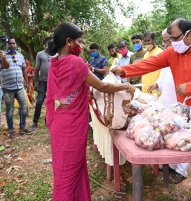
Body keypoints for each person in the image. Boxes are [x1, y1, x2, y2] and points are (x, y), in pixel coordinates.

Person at [111, 18, 191, 201]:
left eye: (175, 38)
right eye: (170, 40)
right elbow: (149, 64)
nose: (172, 43)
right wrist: (125, 70)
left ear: (188, 34)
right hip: (189, 118)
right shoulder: (174, 52)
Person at [46, 21, 135, 201]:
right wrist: (125, 85)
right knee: (70, 173)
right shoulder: (75, 62)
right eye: (79, 42)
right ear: (69, 42)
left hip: (59, 121)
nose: (81, 46)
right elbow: (101, 86)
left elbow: (64, 93)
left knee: (64, 171)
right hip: (72, 125)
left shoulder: (54, 63)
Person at [147, 28, 189, 184]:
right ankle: (172, 165)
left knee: (182, 136)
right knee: (170, 135)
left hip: (180, 105)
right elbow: (162, 75)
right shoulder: (168, 57)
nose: (166, 44)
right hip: (167, 103)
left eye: (168, 40)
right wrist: (156, 83)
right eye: (164, 41)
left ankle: (181, 170)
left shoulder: (184, 57)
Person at [1, 37, 32, 137]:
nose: (12, 45)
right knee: (9, 109)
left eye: (13, 43)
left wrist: (27, 83)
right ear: (7, 45)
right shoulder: (2, 55)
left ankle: (22, 127)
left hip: (19, 86)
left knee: (24, 106)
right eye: (10, 44)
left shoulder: (20, 55)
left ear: (16, 44)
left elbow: (24, 70)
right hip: (7, 88)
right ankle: (11, 130)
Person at [30, 37, 56, 131]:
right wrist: (36, 82)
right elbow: (37, 69)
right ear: (45, 44)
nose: (50, 44)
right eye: (48, 43)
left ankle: (49, 120)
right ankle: (34, 122)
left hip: (53, 82)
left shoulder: (56, 54)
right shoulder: (40, 54)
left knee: (51, 101)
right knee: (39, 101)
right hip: (43, 81)